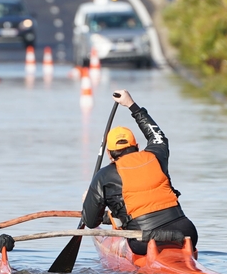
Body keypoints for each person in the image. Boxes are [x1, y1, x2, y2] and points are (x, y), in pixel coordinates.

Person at [81, 90, 197, 255]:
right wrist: (131, 105)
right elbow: (157, 135)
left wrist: (87, 204)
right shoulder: (157, 154)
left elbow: (91, 222)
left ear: (109, 154)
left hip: (143, 241)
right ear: (136, 147)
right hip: (186, 232)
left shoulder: (103, 176)